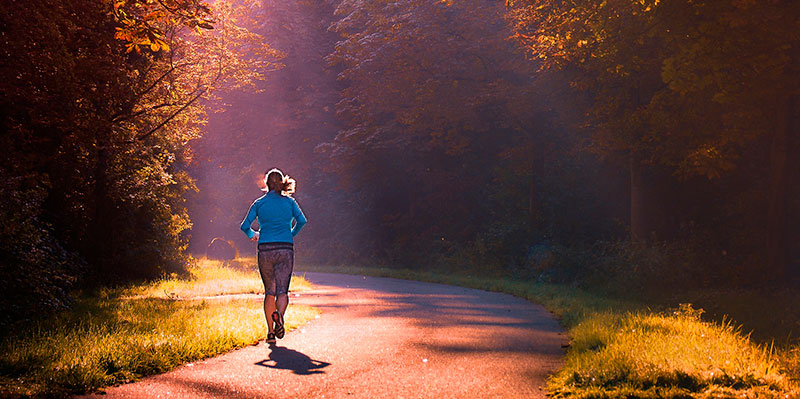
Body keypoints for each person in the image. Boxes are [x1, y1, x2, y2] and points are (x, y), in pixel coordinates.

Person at [240, 168, 307, 345]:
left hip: (265, 248)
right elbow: (302, 221)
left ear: (266, 183)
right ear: (281, 183)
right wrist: (291, 233)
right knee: (282, 291)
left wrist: (253, 234)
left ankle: (270, 333)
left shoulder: (259, 203)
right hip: (285, 248)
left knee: (270, 291)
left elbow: (244, 226)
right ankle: (280, 317)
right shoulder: (290, 203)